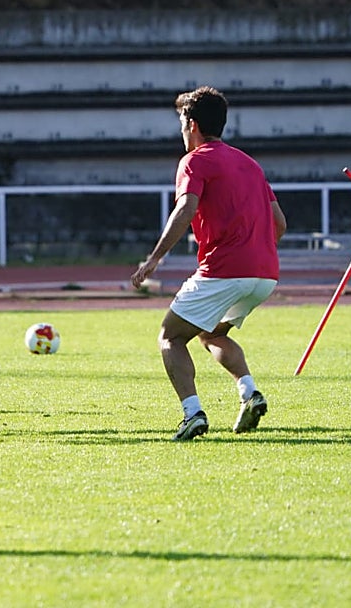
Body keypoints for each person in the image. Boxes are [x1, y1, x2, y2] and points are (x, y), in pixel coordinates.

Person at [130, 86, 286, 441]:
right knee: (211, 333)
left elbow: (185, 209)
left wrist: (154, 258)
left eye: (182, 124)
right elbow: (280, 224)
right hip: (265, 274)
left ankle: (192, 414)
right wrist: (253, 251)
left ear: (192, 123)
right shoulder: (250, 163)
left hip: (225, 270)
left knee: (170, 337)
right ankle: (249, 393)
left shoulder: (195, 160)